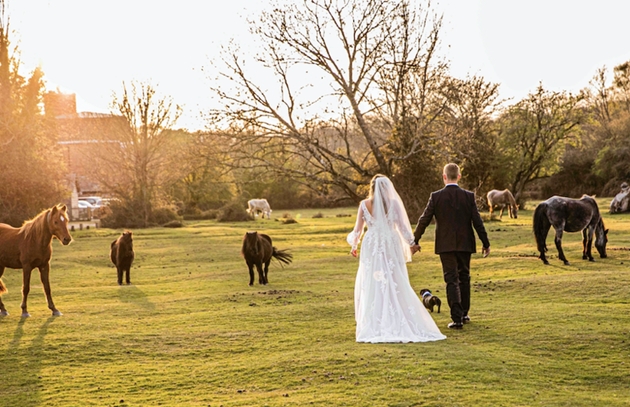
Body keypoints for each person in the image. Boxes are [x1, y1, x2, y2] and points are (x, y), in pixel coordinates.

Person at [347, 175, 446, 343]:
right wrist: (412, 243)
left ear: (371, 188)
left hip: (372, 244)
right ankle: (397, 314)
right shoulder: (393, 204)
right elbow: (401, 227)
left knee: (374, 280)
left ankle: (375, 318)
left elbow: (358, 229)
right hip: (390, 243)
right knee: (394, 278)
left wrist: (354, 245)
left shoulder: (364, 205)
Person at [412, 163, 490, 330]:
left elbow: (423, 220)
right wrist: (485, 242)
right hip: (465, 243)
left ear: (444, 176)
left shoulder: (436, 196)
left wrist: (415, 240)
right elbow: (477, 221)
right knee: (464, 277)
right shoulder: (468, 196)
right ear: (459, 177)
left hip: (445, 244)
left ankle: (457, 319)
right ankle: (464, 313)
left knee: (451, 280)